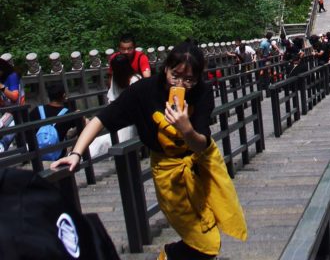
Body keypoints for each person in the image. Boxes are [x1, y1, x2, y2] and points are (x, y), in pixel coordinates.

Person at [52, 41, 247, 260]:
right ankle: (169, 255)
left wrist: (186, 128)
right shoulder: (144, 91)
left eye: (189, 79)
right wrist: (76, 154)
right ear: (165, 69)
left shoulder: (202, 92)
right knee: (207, 243)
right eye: (175, 75)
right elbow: (102, 118)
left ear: (199, 77)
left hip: (203, 165)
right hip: (169, 171)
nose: (181, 84)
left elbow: (201, 143)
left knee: (213, 223)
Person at [0, 57, 24, 152]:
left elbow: (14, 96)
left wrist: (1, 87)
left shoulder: (12, 76)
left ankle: (1, 147)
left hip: (18, 110)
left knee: (9, 129)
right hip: (7, 111)